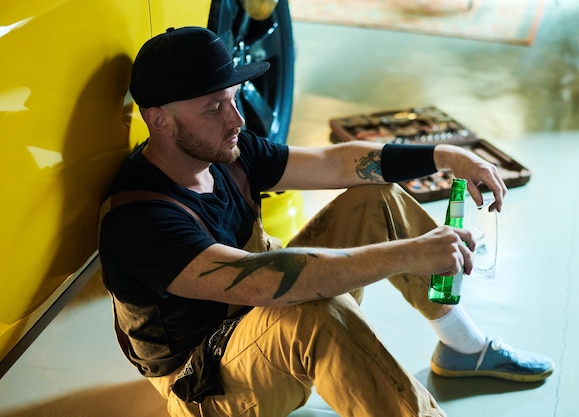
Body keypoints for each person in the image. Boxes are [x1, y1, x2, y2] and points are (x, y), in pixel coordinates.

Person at [98, 26, 554, 417]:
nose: (235, 119)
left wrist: (442, 156)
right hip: (207, 386)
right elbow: (268, 284)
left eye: (233, 100)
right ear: (159, 120)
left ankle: (462, 345)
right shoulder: (140, 219)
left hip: (255, 326)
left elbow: (334, 163)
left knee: (374, 198)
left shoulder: (226, 153)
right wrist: (410, 253)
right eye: (213, 108)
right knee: (316, 308)